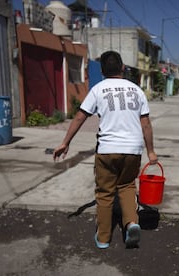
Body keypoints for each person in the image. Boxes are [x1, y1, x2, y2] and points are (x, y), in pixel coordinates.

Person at [53, 51, 158, 249]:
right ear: (123, 68)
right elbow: (146, 124)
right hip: (133, 149)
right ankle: (132, 223)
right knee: (127, 187)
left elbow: (79, 117)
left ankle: (103, 238)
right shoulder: (136, 90)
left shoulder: (98, 89)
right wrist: (151, 151)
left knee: (105, 193)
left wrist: (65, 142)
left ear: (102, 71)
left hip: (108, 149)